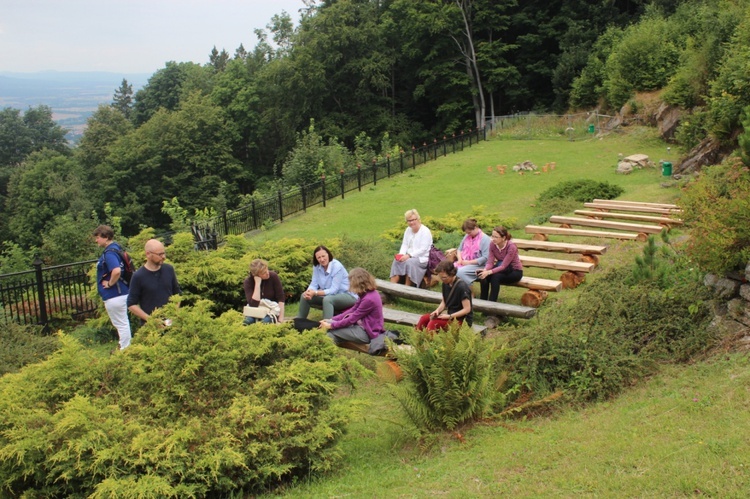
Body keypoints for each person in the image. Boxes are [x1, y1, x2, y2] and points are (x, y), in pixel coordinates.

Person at [320, 267, 385, 348]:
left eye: (351, 281)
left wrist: (331, 325)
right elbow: (353, 310)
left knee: (331, 331)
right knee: (330, 335)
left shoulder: (369, 299)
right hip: (361, 327)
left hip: (367, 333)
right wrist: (331, 320)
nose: (350, 283)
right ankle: (327, 353)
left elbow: (352, 319)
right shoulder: (365, 293)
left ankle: (325, 352)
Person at [93, 225, 131, 350]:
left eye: (98, 237)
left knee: (121, 324)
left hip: (115, 295)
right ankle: (125, 347)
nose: (96, 240)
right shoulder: (117, 249)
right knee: (123, 323)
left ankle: (125, 351)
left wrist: (109, 284)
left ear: (106, 237)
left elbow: (116, 271)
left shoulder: (109, 253)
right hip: (122, 292)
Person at [296, 245, 357, 320]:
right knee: (304, 296)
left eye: (323, 256)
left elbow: (333, 290)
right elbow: (314, 283)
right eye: (319, 257)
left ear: (328, 255)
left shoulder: (337, 266)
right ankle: (298, 322)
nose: (322, 259)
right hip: (330, 295)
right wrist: (309, 292)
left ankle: (326, 326)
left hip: (348, 295)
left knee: (328, 299)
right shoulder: (316, 267)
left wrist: (315, 292)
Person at [127, 239, 181, 324]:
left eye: (164, 253)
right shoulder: (138, 276)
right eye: (160, 254)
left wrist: (174, 315)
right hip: (151, 328)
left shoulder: (169, 269)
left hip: (171, 323)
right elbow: (131, 304)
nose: (164, 257)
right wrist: (151, 320)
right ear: (148, 254)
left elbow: (177, 294)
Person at [416, 259, 473, 332]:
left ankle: (428, 341)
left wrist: (449, 316)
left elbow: (467, 309)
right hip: (449, 316)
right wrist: (437, 311)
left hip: (461, 320)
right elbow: (444, 302)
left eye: (444, 277)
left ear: (452, 274)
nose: (442, 280)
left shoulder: (462, 287)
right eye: (440, 277)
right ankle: (417, 339)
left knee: (434, 323)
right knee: (424, 318)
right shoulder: (445, 284)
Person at [477, 226, 523, 302]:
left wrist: (488, 272)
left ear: (503, 238)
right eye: (492, 236)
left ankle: (491, 305)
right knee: (483, 276)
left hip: (515, 271)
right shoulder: (492, 244)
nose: (493, 239)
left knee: (495, 277)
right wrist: (485, 270)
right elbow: (490, 262)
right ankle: (483, 302)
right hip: (502, 269)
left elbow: (503, 266)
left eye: (496, 237)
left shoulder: (511, 246)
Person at [390, 209, 433, 287]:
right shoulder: (408, 230)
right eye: (409, 221)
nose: (412, 222)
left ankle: (407, 287)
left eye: (414, 220)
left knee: (410, 262)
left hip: (422, 258)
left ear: (418, 219)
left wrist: (409, 255)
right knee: (396, 261)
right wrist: (401, 255)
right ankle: (392, 286)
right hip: (409, 256)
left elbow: (423, 249)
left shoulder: (425, 231)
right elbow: (405, 244)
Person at [243, 258, 285, 324]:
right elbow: (253, 304)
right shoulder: (248, 282)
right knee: (248, 321)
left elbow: (281, 299)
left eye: (267, 270)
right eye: (264, 273)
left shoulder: (273, 276)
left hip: (272, 310)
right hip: (255, 310)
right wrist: (257, 284)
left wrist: (280, 320)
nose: (267, 273)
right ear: (256, 275)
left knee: (265, 322)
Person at [454, 218, 491, 286]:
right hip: (465, 262)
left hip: (479, 265)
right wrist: (459, 259)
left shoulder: (485, 239)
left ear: (476, 228)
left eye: (469, 232)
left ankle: (469, 291)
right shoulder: (467, 236)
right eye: (467, 233)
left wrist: (468, 262)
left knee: (460, 272)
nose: (468, 234)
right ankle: (456, 290)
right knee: (450, 269)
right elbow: (459, 249)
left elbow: (485, 258)